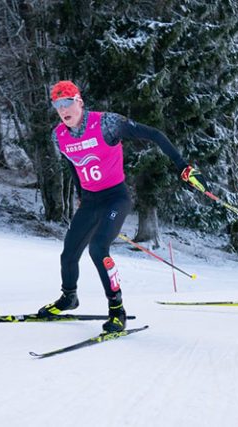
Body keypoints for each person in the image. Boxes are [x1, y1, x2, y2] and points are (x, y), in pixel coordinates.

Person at [37, 80, 207, 332]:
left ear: (79, 102)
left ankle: (117, 310)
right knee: (69, 253)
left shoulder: (106, 123)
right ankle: (69, 297)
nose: (63, 109)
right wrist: (80, 193)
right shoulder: (58, 135)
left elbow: (155, 135)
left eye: (68, 102)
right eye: (58, 104)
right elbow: (74, 163)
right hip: (90, 200)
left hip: (115, 198)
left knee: (98, 248)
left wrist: (183, 166)